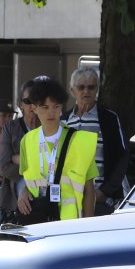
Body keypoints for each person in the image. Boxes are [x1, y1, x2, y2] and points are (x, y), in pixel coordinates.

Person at [17, 77, 98, 222]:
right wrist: (22, 192)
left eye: (56, 106)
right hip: (38, 221)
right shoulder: (27, 141)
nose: (51, 112)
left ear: (61, 107)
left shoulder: (78, 140)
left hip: (70, 223)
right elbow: (28, 181)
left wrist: (88, 225)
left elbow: (89, 189)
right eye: (45, 107)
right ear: (34, 108)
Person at [63, 65, 129, 213]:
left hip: (100, 200)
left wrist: (105, 191)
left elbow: (122, 156)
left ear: (97, 89)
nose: (86, 91)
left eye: (91, 87)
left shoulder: (109, 118)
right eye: (81, 87)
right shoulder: (64, 120)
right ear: (72, 91)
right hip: (69, 199)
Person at [0, 83, 40, 220]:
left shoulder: (48, 126)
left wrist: (20, 159)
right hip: (15, 194)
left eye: (36, 100)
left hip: (45, 190)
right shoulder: (10, 128)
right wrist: (35, 163)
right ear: (21, 104)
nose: (32, 105)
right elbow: (4, 167)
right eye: (28, 101)